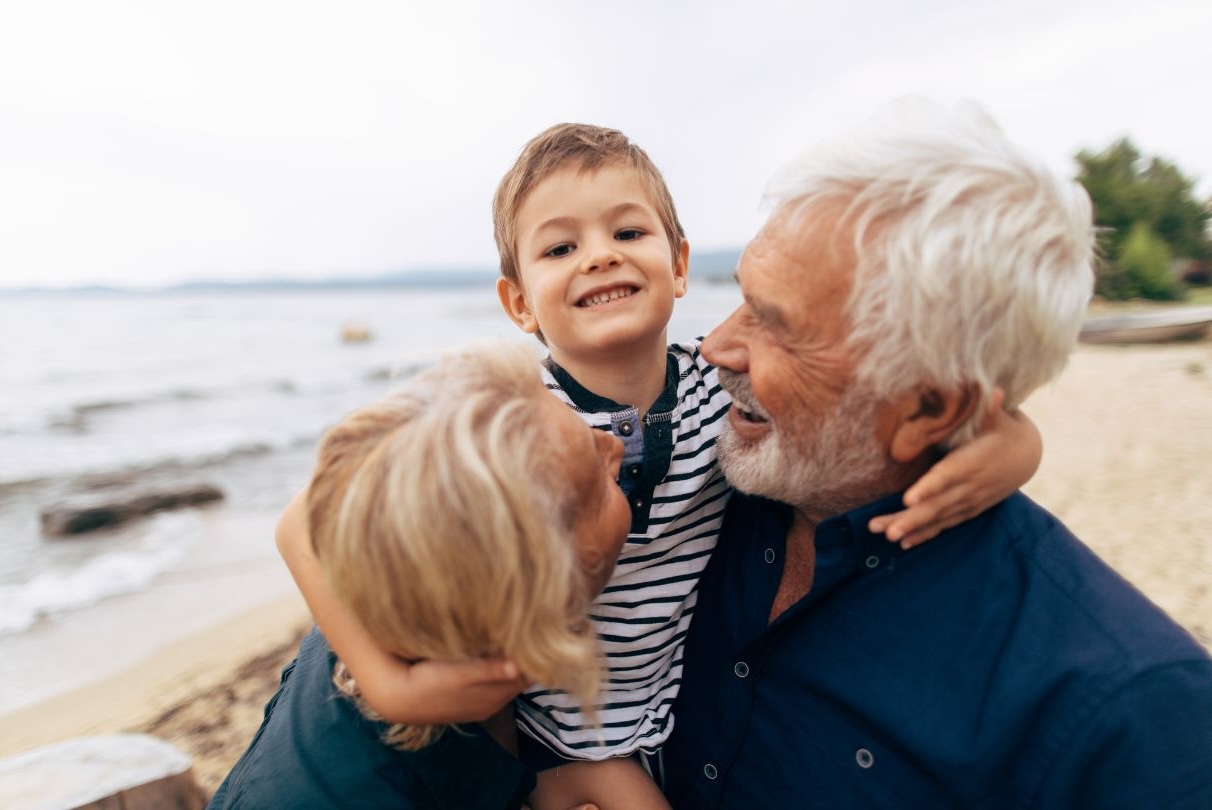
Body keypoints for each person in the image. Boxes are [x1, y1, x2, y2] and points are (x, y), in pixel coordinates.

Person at [277, 123, 1046, 809]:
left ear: (679, 264)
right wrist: (386, 680)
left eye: (627, 231)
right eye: (559, 247)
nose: (599, 255)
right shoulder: (503, 411)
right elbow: (302, 522)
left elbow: (895, 400)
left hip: (674, 713)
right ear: (519, 303)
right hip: (553, 729)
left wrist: (1015, 447)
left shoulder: (724, 379)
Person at [661, 100, 1212, 808]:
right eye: (743, 297)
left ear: (932, 409)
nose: (714, 347)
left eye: (777, 325)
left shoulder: (1129, 720)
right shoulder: (686, 487)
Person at [209, 342, 635, 808]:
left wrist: (387, 687)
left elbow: (305, 514)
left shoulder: (392, 583)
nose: (613, 444)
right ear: (530, 611)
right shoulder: (379, 790)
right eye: (598, 479)